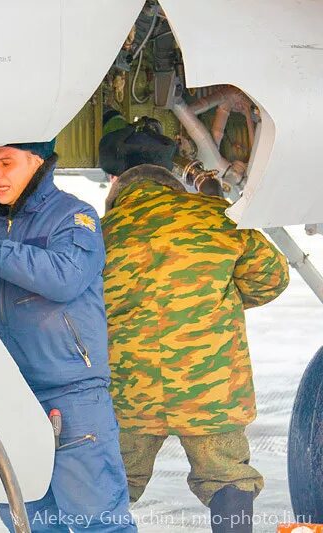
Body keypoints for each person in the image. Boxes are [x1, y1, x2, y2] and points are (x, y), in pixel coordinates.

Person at [99, 112, 290, 533]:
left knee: (112, 482)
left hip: (131, 393)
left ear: (117, 183)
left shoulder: (99, 233)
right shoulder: (216, 217)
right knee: (227, 476)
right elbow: (273, 279)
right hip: (211, 384)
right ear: (169, 175)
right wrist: (215, 304)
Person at [0, 140, 137, 532]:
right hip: (5, 398)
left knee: (97, 524)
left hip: (71, 397)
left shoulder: (74, 217)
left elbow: (64, 277)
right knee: (28, 524)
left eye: (6, 163)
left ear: (38, 161)